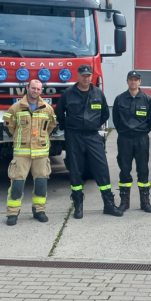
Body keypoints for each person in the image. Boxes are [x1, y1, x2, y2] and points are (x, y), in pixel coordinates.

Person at [55, 65, 123, 219]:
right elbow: (59, 114)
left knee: (101, 168)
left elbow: (105, 113)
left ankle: (108, 204)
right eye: (83, 75)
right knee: (75, 169)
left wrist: (93, 124)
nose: (86, 78)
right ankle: (78, 205)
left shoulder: (98, 93)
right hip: (74, 136)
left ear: (91, 76)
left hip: (93, 135)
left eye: (88, 75)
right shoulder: (68, 94)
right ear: (78, 76)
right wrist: (71, 127)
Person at [3, 79, 57, 226]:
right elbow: (10, 126)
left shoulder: (47, 108)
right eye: (33, 88)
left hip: (41, 152)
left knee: (41, 183)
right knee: (17, 184)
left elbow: (50, 127)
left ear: (41, 91)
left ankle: (39, 211)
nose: (36, 91)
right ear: (27, 88)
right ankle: (12, 213)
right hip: (21, 153)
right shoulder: (15, 108)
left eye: (38, 89)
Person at [112, 71, 151, 213]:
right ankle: (124, 202)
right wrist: (124, 132)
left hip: (141, 139)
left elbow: (150, 120)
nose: (133, 82)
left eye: (136, 80)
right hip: (124, 139)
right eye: (131, 79)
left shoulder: (147, 99)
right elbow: (116, 120)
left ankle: (145, 202)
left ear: (140, 82)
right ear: (127, 81)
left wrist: (141, 133)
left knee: (143, 169)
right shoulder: (119, 99)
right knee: (124, 170)